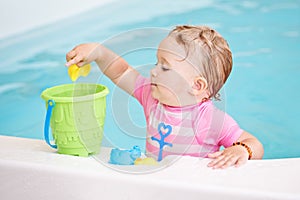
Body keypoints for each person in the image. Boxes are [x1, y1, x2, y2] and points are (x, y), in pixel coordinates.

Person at [65, 25, 264, 169]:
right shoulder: (151, 96)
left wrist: (241, 149)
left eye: (165, 67)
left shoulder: (211, 120)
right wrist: (99, 52)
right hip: (157, 182)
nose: (153, 71)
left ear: (196, 85)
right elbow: (121, 72)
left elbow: (253, 143)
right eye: (156, 62)